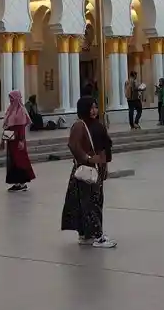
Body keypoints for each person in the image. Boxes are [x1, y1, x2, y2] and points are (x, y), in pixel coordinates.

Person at [60, 96, 115, 248]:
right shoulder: (80, 125)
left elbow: (104, 147)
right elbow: (74, 145)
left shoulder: (98, 125)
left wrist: (104, 166)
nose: (94, 111)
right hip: (85, 170)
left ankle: (86, 235)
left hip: (96, 168)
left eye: (96, 107)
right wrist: (87, 158)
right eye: (90, 108)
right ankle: (97, 236)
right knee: (90, 203)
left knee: (90, 202)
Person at [1, 91, 36, 192]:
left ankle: (22, 183)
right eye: (10, 98)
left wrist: (21, 140)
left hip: (18, 140)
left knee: (20, 160)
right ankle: (16, 182)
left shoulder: (20, 111)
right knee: (13, 160)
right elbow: (8, 127)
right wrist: (3, 140)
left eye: (12, 98)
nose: (11, 100)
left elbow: (21, 128)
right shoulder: (10, 110)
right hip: (11, 139)